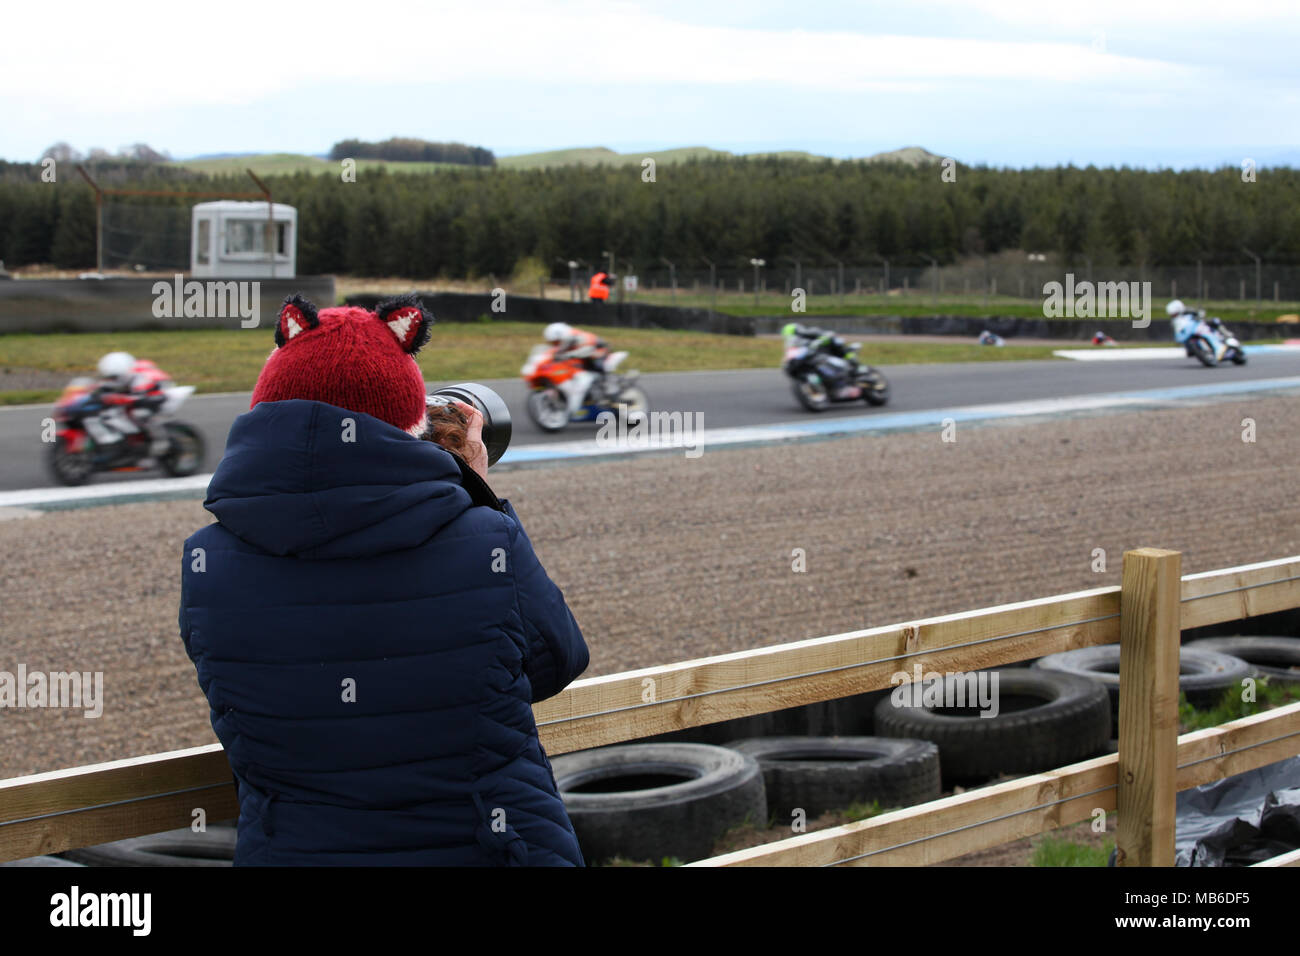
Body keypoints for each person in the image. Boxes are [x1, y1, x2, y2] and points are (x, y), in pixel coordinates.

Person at [180, 293, 590, 866]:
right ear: (407, 425)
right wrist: (473, 490)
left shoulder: (206, 565)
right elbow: (556, 663)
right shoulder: (483, 541)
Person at [90, 351, 171, 453]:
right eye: (108, 377)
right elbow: (100, 389)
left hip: (157, 392)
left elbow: (139, 398)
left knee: (140, 413)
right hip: (133, 391)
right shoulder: (117, 375)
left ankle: (161, 439)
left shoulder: (142, 379)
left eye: (114, 377)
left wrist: (119, 398)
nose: (111, 380)